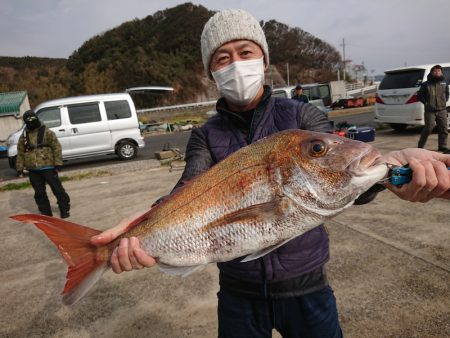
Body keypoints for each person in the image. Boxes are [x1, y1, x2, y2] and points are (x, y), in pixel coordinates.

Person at [91, 9, 450, 337]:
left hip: (308, 288)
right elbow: (186, 191)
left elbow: (348, 181)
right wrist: (142, 227)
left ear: (264, 60)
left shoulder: (301, 118)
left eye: (245, 52)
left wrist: (390, 170)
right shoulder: (205, 135)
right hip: (238, 294)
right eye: (222, 57)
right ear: (211, 72)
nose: (236, 64)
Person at [16, 110, 71, 218]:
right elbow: (20, 152)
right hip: (33, 170)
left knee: (58, 190)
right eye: (28, 120)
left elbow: (56, 147)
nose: (31, 122)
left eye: (32, 119)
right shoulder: (24, 136)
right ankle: (46, 214)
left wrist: (58, 163)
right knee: (39, 194)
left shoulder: (47, 132)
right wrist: (20, 167)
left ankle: (64, 209)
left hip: (48, 167)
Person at [417, 64, 449, 153]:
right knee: (429, 128)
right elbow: (419, 96)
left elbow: (447, 94)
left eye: (439, 71)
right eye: (435, 71)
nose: (437, 72)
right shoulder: (425, 84)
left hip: (442, 109)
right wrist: (427, 103)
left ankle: (442, 146)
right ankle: (420, 146)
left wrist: (444, 102)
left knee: (443, 129)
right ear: (432, 72)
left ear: (441, 72)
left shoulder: (444, 83)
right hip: (430, 110)